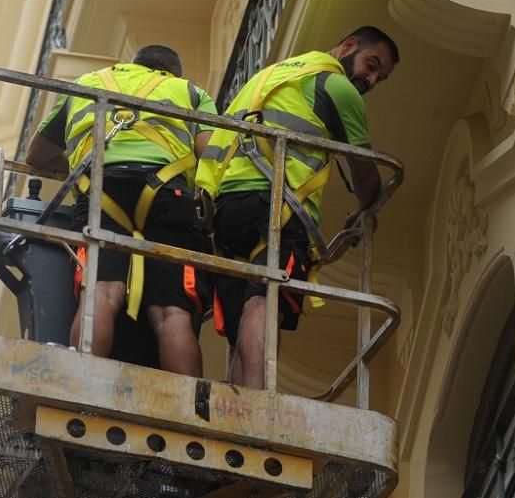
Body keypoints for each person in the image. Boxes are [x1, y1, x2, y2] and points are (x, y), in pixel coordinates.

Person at [196, 26, 399, 388]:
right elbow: (366, 177)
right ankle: (258, 404)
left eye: (379, 77)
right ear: (348, 45)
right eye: (371, 65)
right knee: (266, 300)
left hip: (228, 207)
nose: (370, 79)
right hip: (277, 210)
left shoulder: (269, 76)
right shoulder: (335, 86)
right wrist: (367, 206)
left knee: (244, 312)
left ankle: (240, 403)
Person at [26, 45, 217, 377]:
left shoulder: (86, 83)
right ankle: (187, 406)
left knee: (100, 293)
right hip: (166, 191)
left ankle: (80, 382)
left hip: (100, 190)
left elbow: (37, 155)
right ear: (172, 72)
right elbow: (210, 152)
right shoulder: (189, 91)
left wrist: (77, 165)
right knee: (172, 311)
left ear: (133, 66)